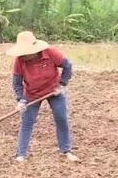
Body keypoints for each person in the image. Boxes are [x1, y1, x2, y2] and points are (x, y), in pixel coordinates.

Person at [6, 31, 78, 162]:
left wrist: (61, 85)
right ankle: (21, 154)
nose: (24, 55)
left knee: (61, 118)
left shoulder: (50, 53)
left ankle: (66, 151)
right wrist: (20, 99)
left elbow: (67, 65)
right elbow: (17, 83)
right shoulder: (19, 61)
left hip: (53, 90)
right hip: (32, 94)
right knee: (27, 122)